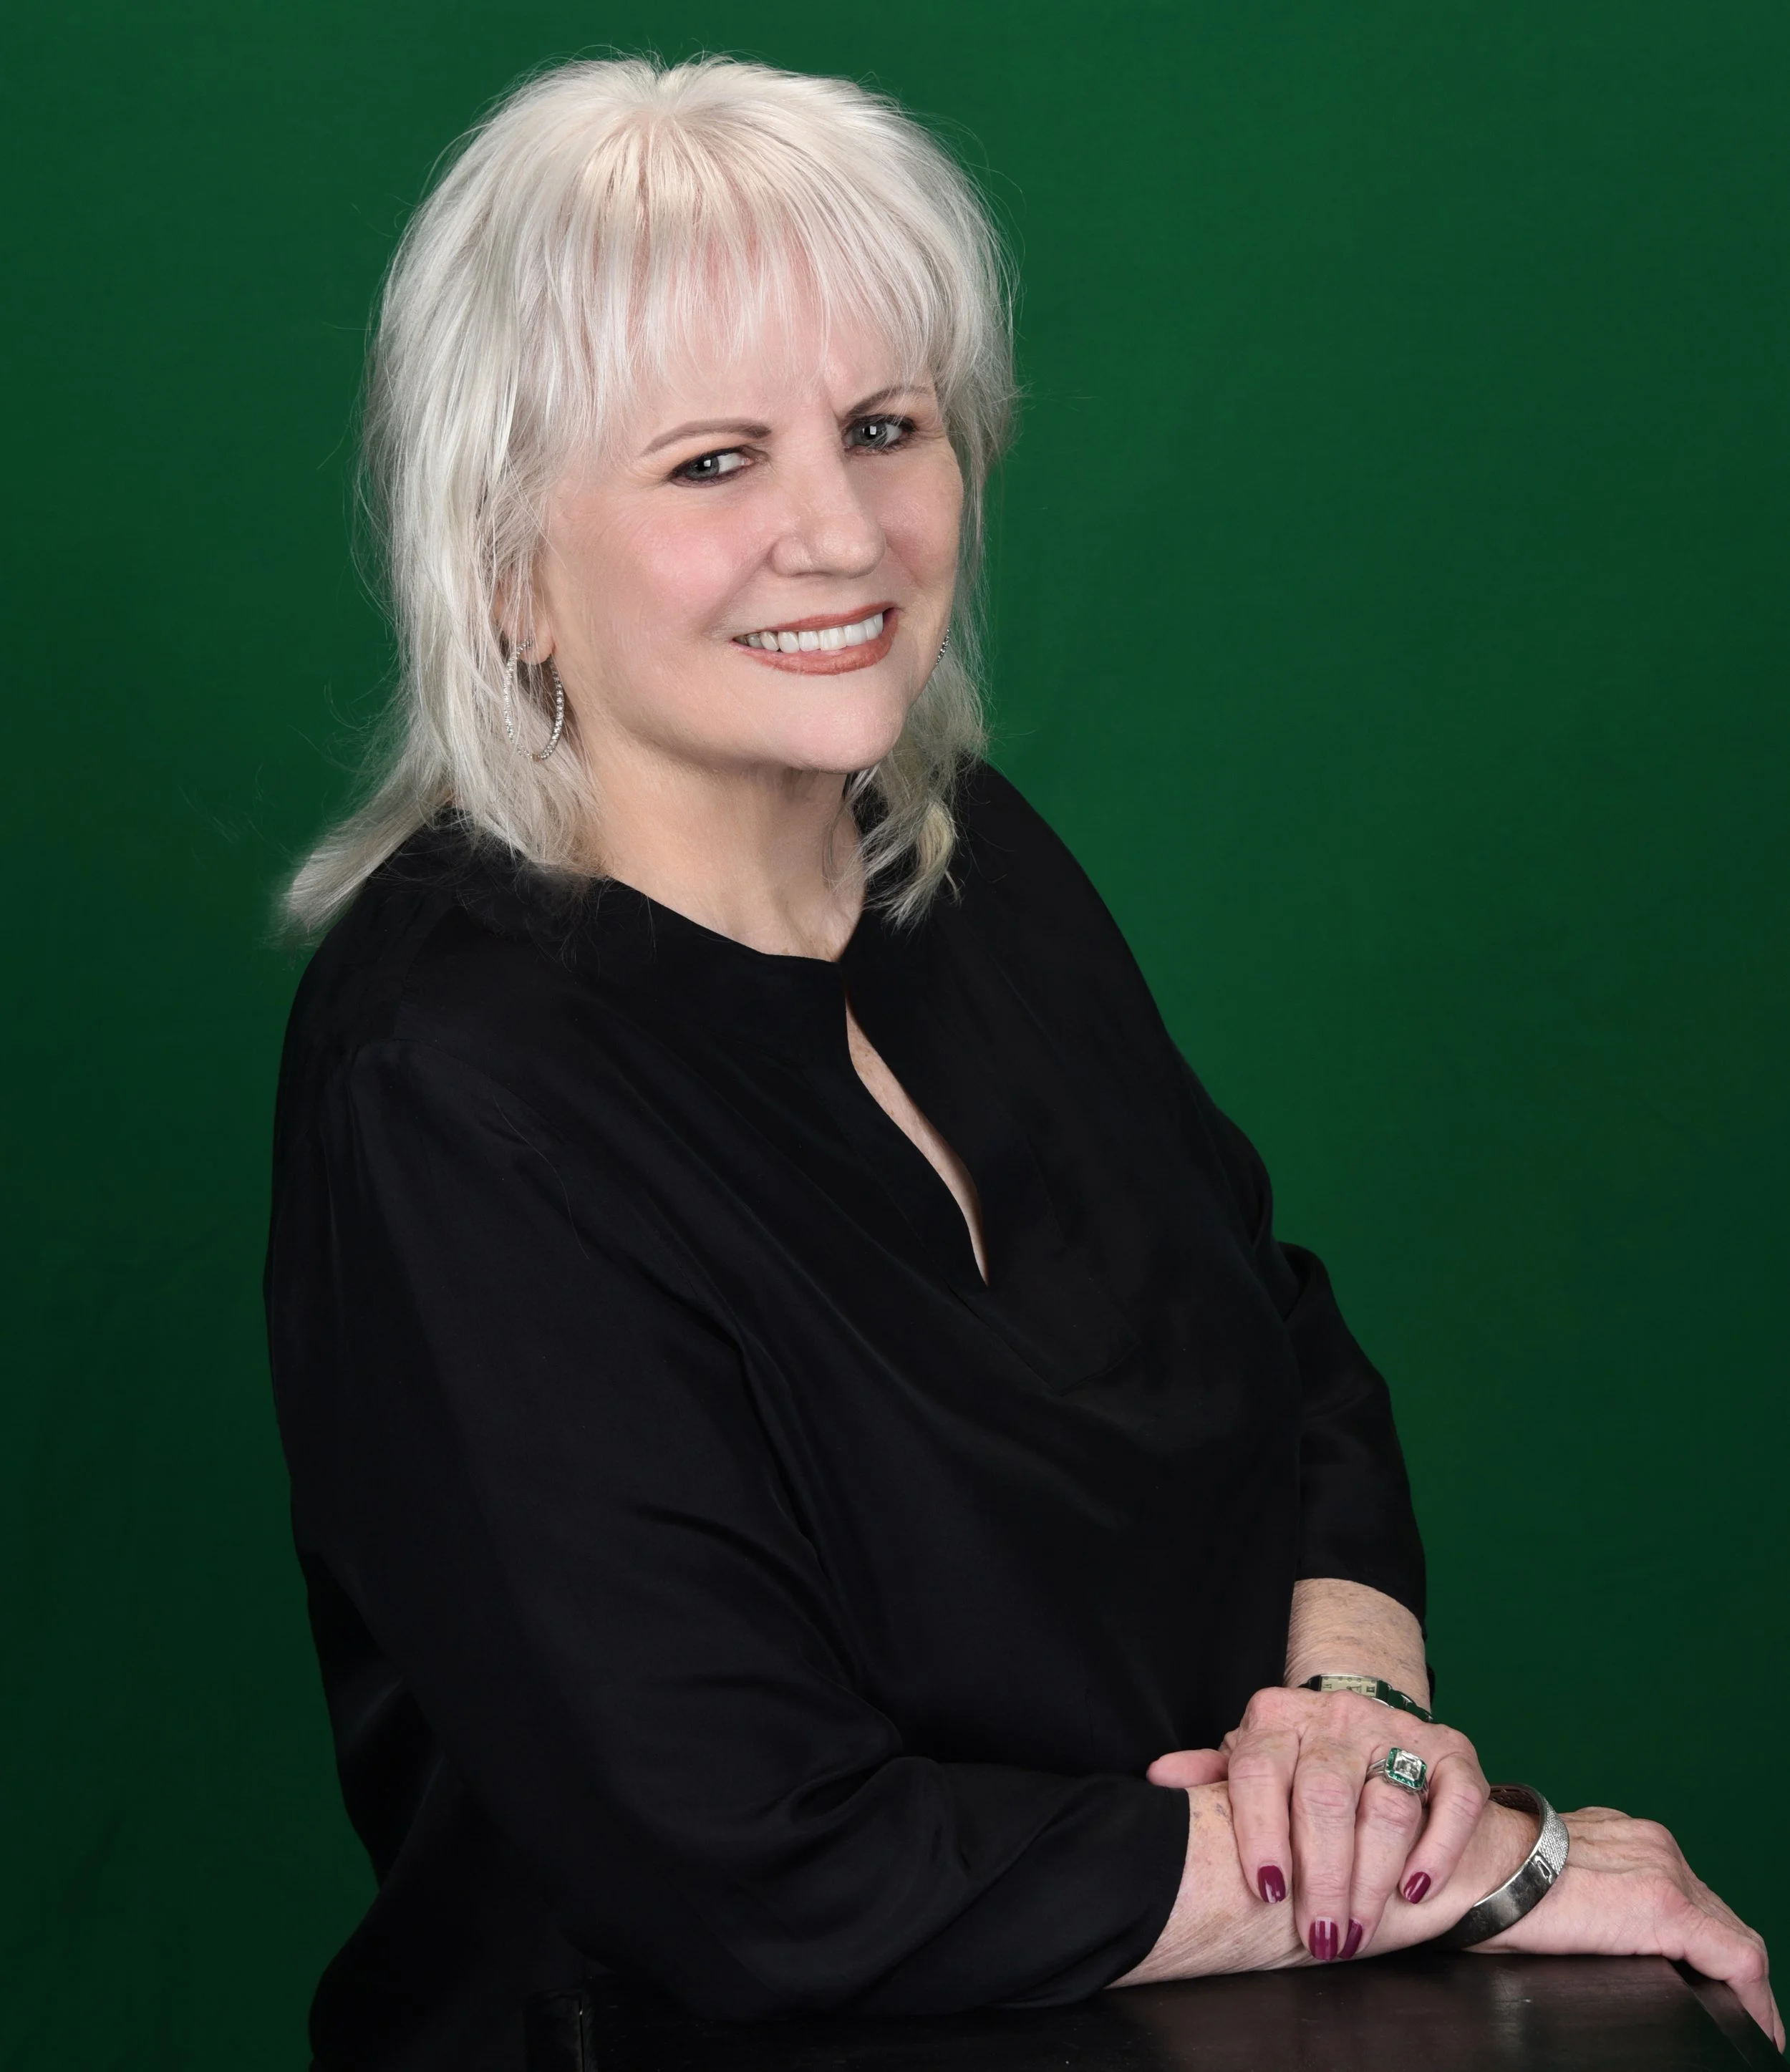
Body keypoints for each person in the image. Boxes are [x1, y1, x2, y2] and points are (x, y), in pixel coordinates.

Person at [265, 56, 1779, 2071]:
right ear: (507, 568)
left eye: (885, 428)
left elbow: (1279, 1344)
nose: (841, 531)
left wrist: (1357, 1720)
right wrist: (1474, 1872)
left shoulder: (958, 861)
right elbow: (760, 1866)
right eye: (713, 463)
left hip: (1170, 1994)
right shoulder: (448, 1082)